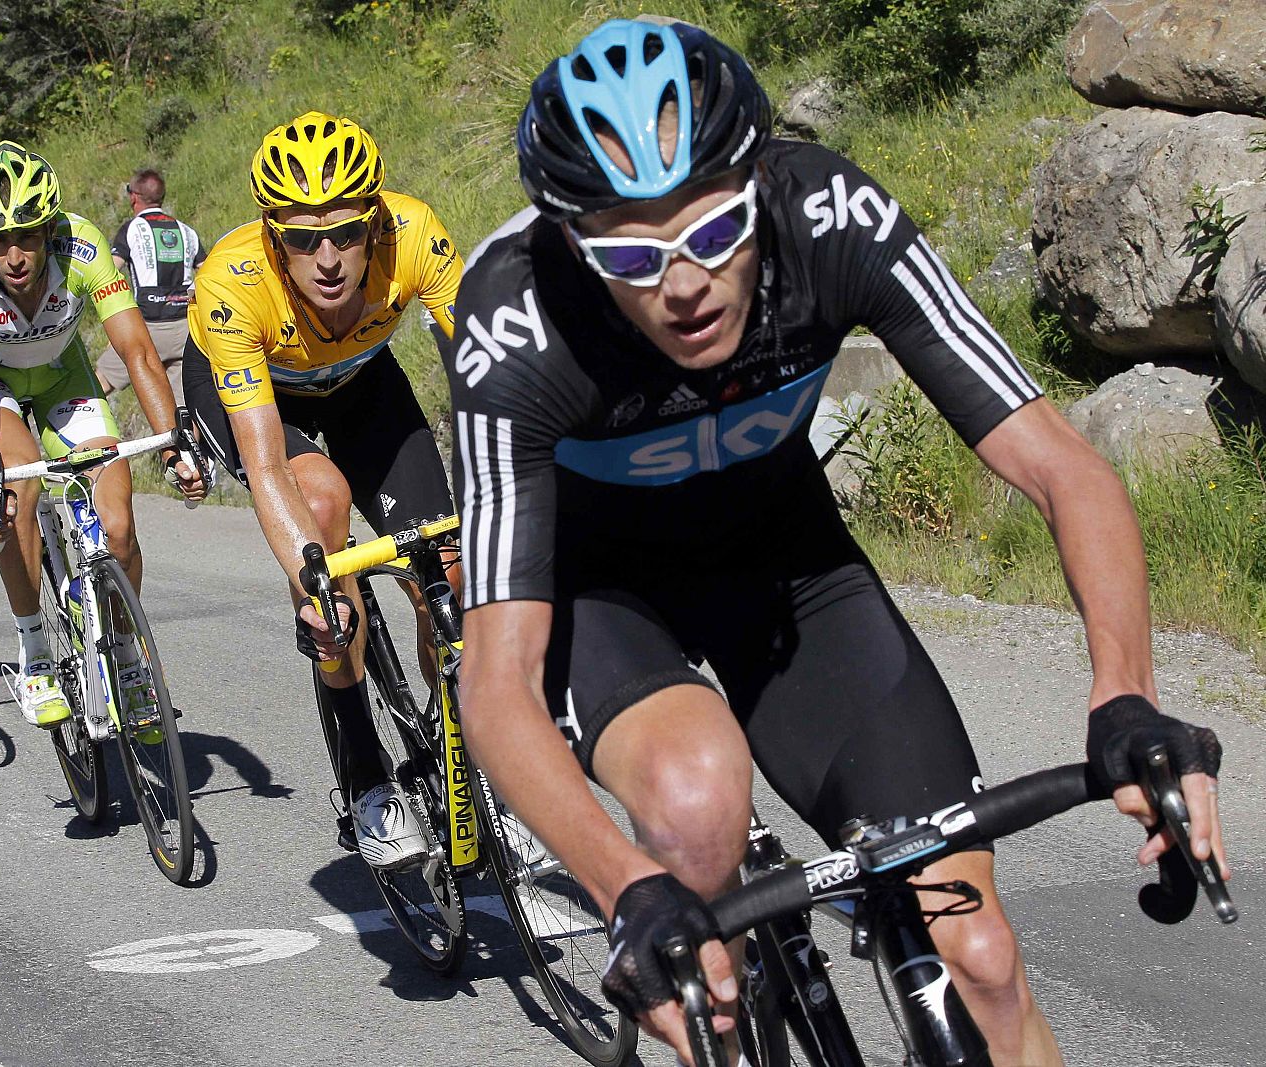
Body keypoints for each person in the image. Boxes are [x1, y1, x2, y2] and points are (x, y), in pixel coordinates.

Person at [447, 18, 1227, 1066]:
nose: (683, 283)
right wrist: (627, 887)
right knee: (693, 807)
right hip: (604, 589)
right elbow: (496, 680)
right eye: (632, 252)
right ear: (574, 246)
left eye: (715, 231)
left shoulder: (829, 214)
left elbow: (1061, 466)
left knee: (983, 957)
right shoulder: (514, 318)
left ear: (759, 185)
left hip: (787, 561)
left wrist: (1123, 695)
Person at [182, 111, 462, 869]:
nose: (329, 257)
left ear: (375, 218)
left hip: (363, 381)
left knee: (453, 567)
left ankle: (453, 738)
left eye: (347, 231)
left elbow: (483, 378)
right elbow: (269, 464)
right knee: (327, 510)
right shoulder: (232, 286)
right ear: (273, 236)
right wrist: (314, 578)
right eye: (303, 238)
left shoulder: (413, 233)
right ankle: (367, 778)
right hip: (259, 394)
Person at [0, 141, 206, 728]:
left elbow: (137, 351)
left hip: (63, 376)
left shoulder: (81, 246)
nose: (13, 254)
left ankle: (129, 657)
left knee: (117, 527)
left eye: (28, 236)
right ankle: (35, 652)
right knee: (18, 499)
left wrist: (172, 442)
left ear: (50, 228)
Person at [93, 168, 207, 404]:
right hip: (185, 330)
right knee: (181, 410)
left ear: (133, 197)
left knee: (100, 383)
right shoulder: (186, 231)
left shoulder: (132, 229)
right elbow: (208, 272)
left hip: (148, 327)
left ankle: (78, 430)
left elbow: (109, 272)